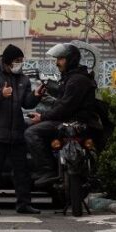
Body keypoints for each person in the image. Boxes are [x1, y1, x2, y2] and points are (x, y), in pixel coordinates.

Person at [24, 42, 100, 185]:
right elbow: (61, 103)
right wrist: (43, 110)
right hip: (67, 120)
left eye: (61, 59)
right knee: (26, 124)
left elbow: (65, 107)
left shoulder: (77, 80)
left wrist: (43, 117)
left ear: (70, 60)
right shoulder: (71, 78)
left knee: (31, 133)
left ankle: (47, 170)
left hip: (73, 122)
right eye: (57, 59)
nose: (57, 63)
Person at [0, 44, 40, 215]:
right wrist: (0, 94)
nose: (20, 64)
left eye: (21, 61)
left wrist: (36, 96)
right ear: (8, 61)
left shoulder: (23, 78)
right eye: (17, 61)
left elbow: (26, 102)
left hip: (17, 131)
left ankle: (24, 204)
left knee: (22, 170)